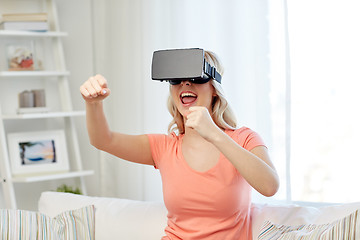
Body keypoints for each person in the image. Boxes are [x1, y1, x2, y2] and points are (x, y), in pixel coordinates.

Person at [80, 50, 279, 240]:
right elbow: (103, 140)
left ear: (215, 89)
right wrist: (93, 104)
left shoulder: (244, 139)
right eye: (177, 79)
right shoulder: (164, 147)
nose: (185, 83)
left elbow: (270, 186)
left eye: (196, 77)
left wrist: (214, 134)